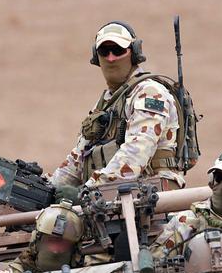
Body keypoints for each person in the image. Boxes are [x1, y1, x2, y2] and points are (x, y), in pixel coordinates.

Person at [51, 21, 185, 200]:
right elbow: (79, 158)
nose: (111, 58)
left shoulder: (150, 94)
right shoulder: (105, 103)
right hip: (113, 200)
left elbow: (134, 156)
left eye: (118, 50)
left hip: (153, 200)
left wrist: (86, 191)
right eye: (104, 52)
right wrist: (50, 189)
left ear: (134, 53)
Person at [9, 201, 84, 273]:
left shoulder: (88, 270)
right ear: (35, 242)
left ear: (75, 248)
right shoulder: (14, 272)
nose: (56, 250)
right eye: (51, 241)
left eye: (63, 243)